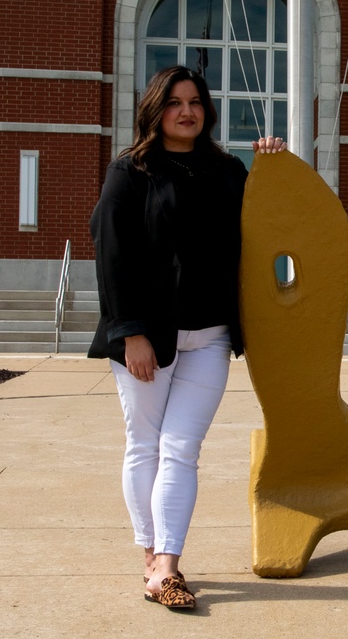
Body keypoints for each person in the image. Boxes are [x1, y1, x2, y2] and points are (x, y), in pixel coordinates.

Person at [88, 65, 286, 610]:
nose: (186, 111)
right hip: (146, 337)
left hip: (212, 337)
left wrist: (273, 165)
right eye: (174, 102)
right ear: (156, 109)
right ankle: (153, 559)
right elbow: (111, 255)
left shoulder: (229, 172)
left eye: (195, 101)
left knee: (182, 449)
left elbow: (268, 225)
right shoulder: (129, 172)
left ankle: (167, 565)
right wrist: (129, 333)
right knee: (146, 444)